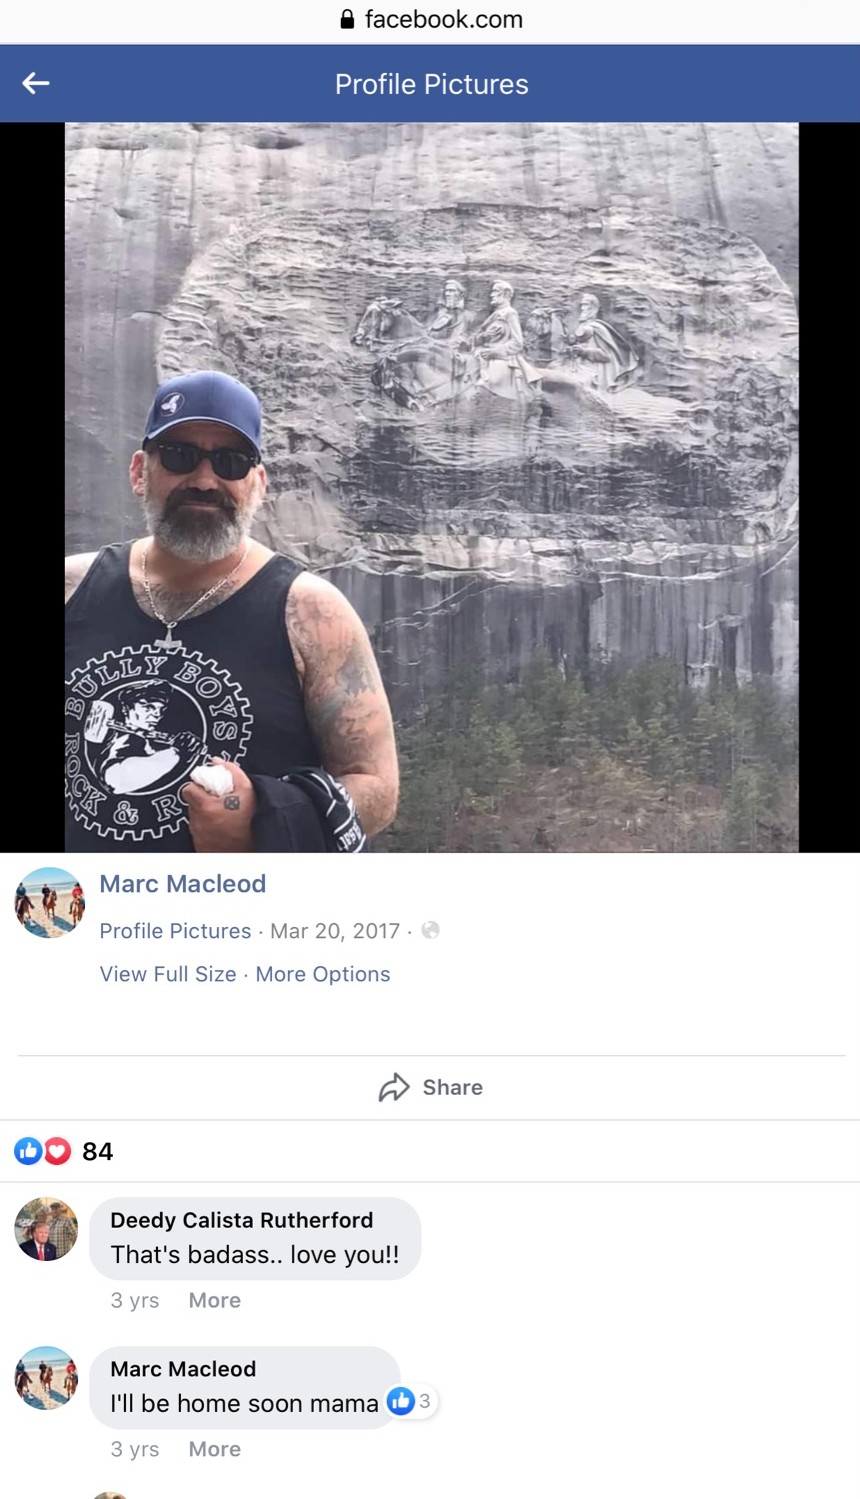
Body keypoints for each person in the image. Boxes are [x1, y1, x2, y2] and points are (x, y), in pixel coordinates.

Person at [65, 370, 399, 853]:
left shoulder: (312, 614)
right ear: (140, 471)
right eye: (180, 456)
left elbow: (377, 789)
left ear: (258, 484)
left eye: (231, 461)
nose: (205, 480)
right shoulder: (73, 589)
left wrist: (265, 815)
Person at [566, 292, 639, 392]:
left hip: (592, 372)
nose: (582, 308)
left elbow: (606, 355)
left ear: (593, 308)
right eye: (582, 305)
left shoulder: (597, 328)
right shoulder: (582, 326)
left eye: (586, 305)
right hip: (576, 366)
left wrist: (584, 351)